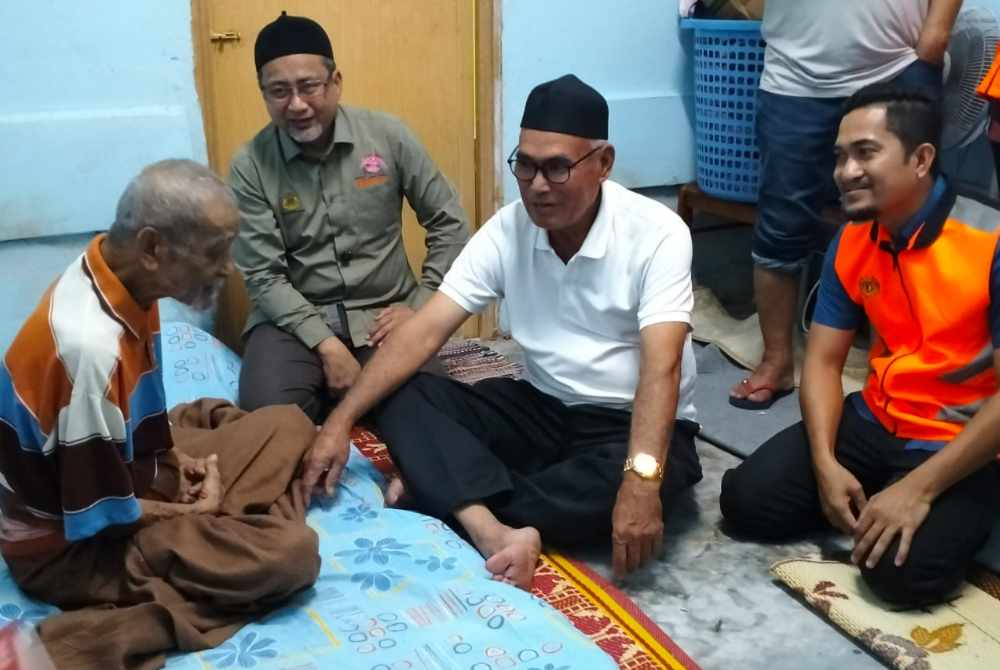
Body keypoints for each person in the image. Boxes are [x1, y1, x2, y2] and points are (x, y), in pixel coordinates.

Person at [298, 74, 703, 590]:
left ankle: (451, 491)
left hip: (627, 424)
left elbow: (662, 366)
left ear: (603, 164)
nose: (537, 184)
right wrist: (339, 423)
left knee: (660, 477)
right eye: (526, 165)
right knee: (403, 393)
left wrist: (641, 478)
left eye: (557, 167)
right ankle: (488, 525)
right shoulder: (508, 228)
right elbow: (424, 332)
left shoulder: (659, 233)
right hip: (543, 407)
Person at [0, 160, 320, 668]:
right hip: (69, 548)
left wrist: (171, 457)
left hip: (129, 470)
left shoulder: (115, 271)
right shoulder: (88, 350)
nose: (228, 267)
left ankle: (217, 530)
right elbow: (97, 519)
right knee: (292, 555)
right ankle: (69, 645)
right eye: (215, 252)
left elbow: (138, 413)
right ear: (153, 248)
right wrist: (195, 512)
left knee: (290, 422)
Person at [720, 85, 1000, 606]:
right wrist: (825, 463)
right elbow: (823, 361)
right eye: (840, 157)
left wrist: (920, 488)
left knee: (898, 577)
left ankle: (937, 502)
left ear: (921, 159)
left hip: (960, 441)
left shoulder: (990, 240)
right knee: (746, 502)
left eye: (865, 153)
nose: (845, 172)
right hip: (875, 419)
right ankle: (875, 495)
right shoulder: (853, 236)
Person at [231, 12, 471, 423]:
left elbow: (450, 223)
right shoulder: (249, 165)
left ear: (336, 82)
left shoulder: (388, 137)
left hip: (385, 314)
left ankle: (351, 401)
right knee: (266, 416)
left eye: (309, 86)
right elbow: (263, 277)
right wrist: (326, 344)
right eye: (279, 92)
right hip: (293, 321)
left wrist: (419, 305)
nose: (297, 105)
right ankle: (334, 391)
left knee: (432, 406)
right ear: (263, 94)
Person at [730, 0, 962, 409]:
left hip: (899, 64)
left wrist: (936, 33)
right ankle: (777, 362)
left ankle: (908, 372)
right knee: (781, 225)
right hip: (795, 78)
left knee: (910, 224)